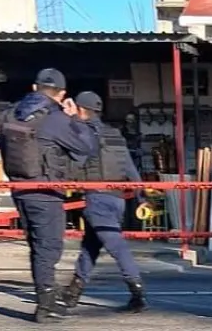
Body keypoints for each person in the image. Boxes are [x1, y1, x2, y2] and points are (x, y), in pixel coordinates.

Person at [0, 68, 99, 323]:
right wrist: (76, 120)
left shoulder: (11, 112)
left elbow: (2, 147)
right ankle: (45, 306)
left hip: (20, 189)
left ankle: (48, 298)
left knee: (36, 246)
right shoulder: (56, 119)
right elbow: (86, 148)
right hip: (46, 191)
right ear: (62, 94)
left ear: (34, 88)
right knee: (48, 248)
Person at [61, 91, 149, 313]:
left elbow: (71, 155)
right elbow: (131, 169)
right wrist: (141, 198)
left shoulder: (82, 133)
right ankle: (74, 290)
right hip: (117, 199)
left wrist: (68, 118)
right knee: (90, 245)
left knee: (116, 246)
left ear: (81, 109)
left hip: (97, 197)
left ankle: (137, 291)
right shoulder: (114, 135)